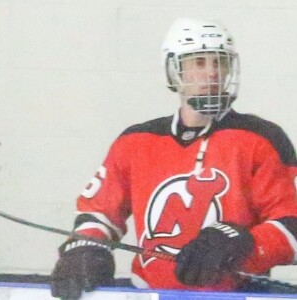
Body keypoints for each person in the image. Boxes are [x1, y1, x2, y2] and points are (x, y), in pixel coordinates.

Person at [50, 18, 297, 299]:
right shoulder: (135, 141)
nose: (212, 73)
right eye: (199, 63)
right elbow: (99, 212)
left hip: (234, 295)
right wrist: (85, 247)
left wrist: (246, 243)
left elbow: (291, 224)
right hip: (149, 293)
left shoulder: (263, 138)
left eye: (220, 63)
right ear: (175, 70)